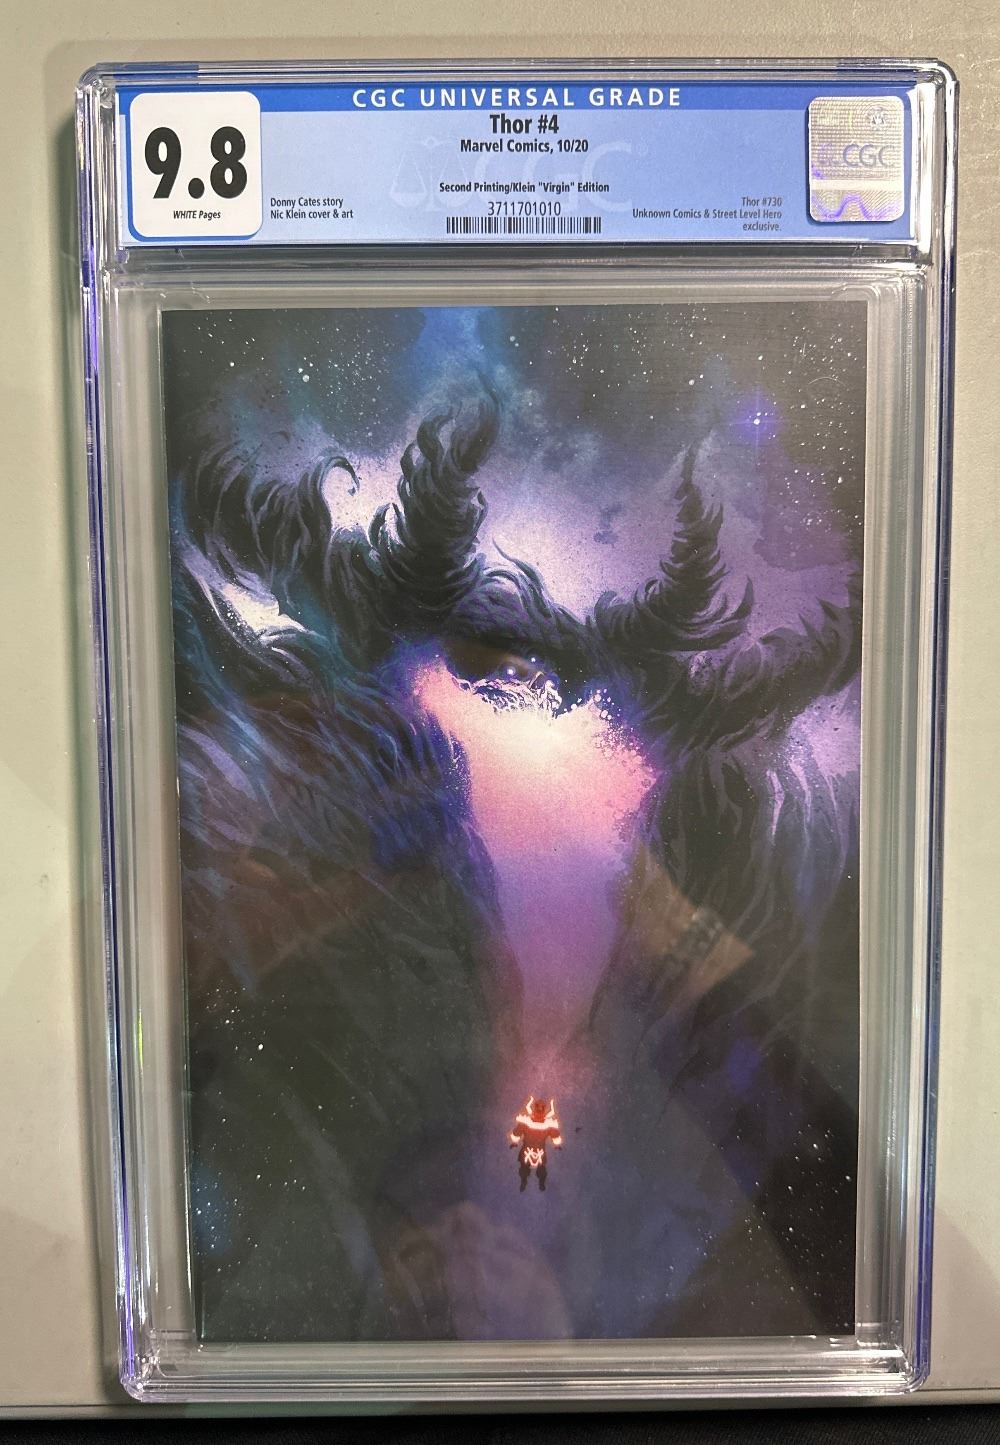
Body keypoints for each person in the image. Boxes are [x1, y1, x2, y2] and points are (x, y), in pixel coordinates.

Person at [509, 1096, 563, 1191]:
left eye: (541, 1108)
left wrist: (514, 1142)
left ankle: (532, 1181)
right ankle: (532, 1181)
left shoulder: (527, 1122)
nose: (539, 1110)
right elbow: (555, 1136)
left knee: (531, 1167)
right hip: (535, 1151)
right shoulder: (545, 1124)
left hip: (532, 1151)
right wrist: (557, 1144)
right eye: (539, 1108)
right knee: (533, 1168)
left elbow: (517, 1133)